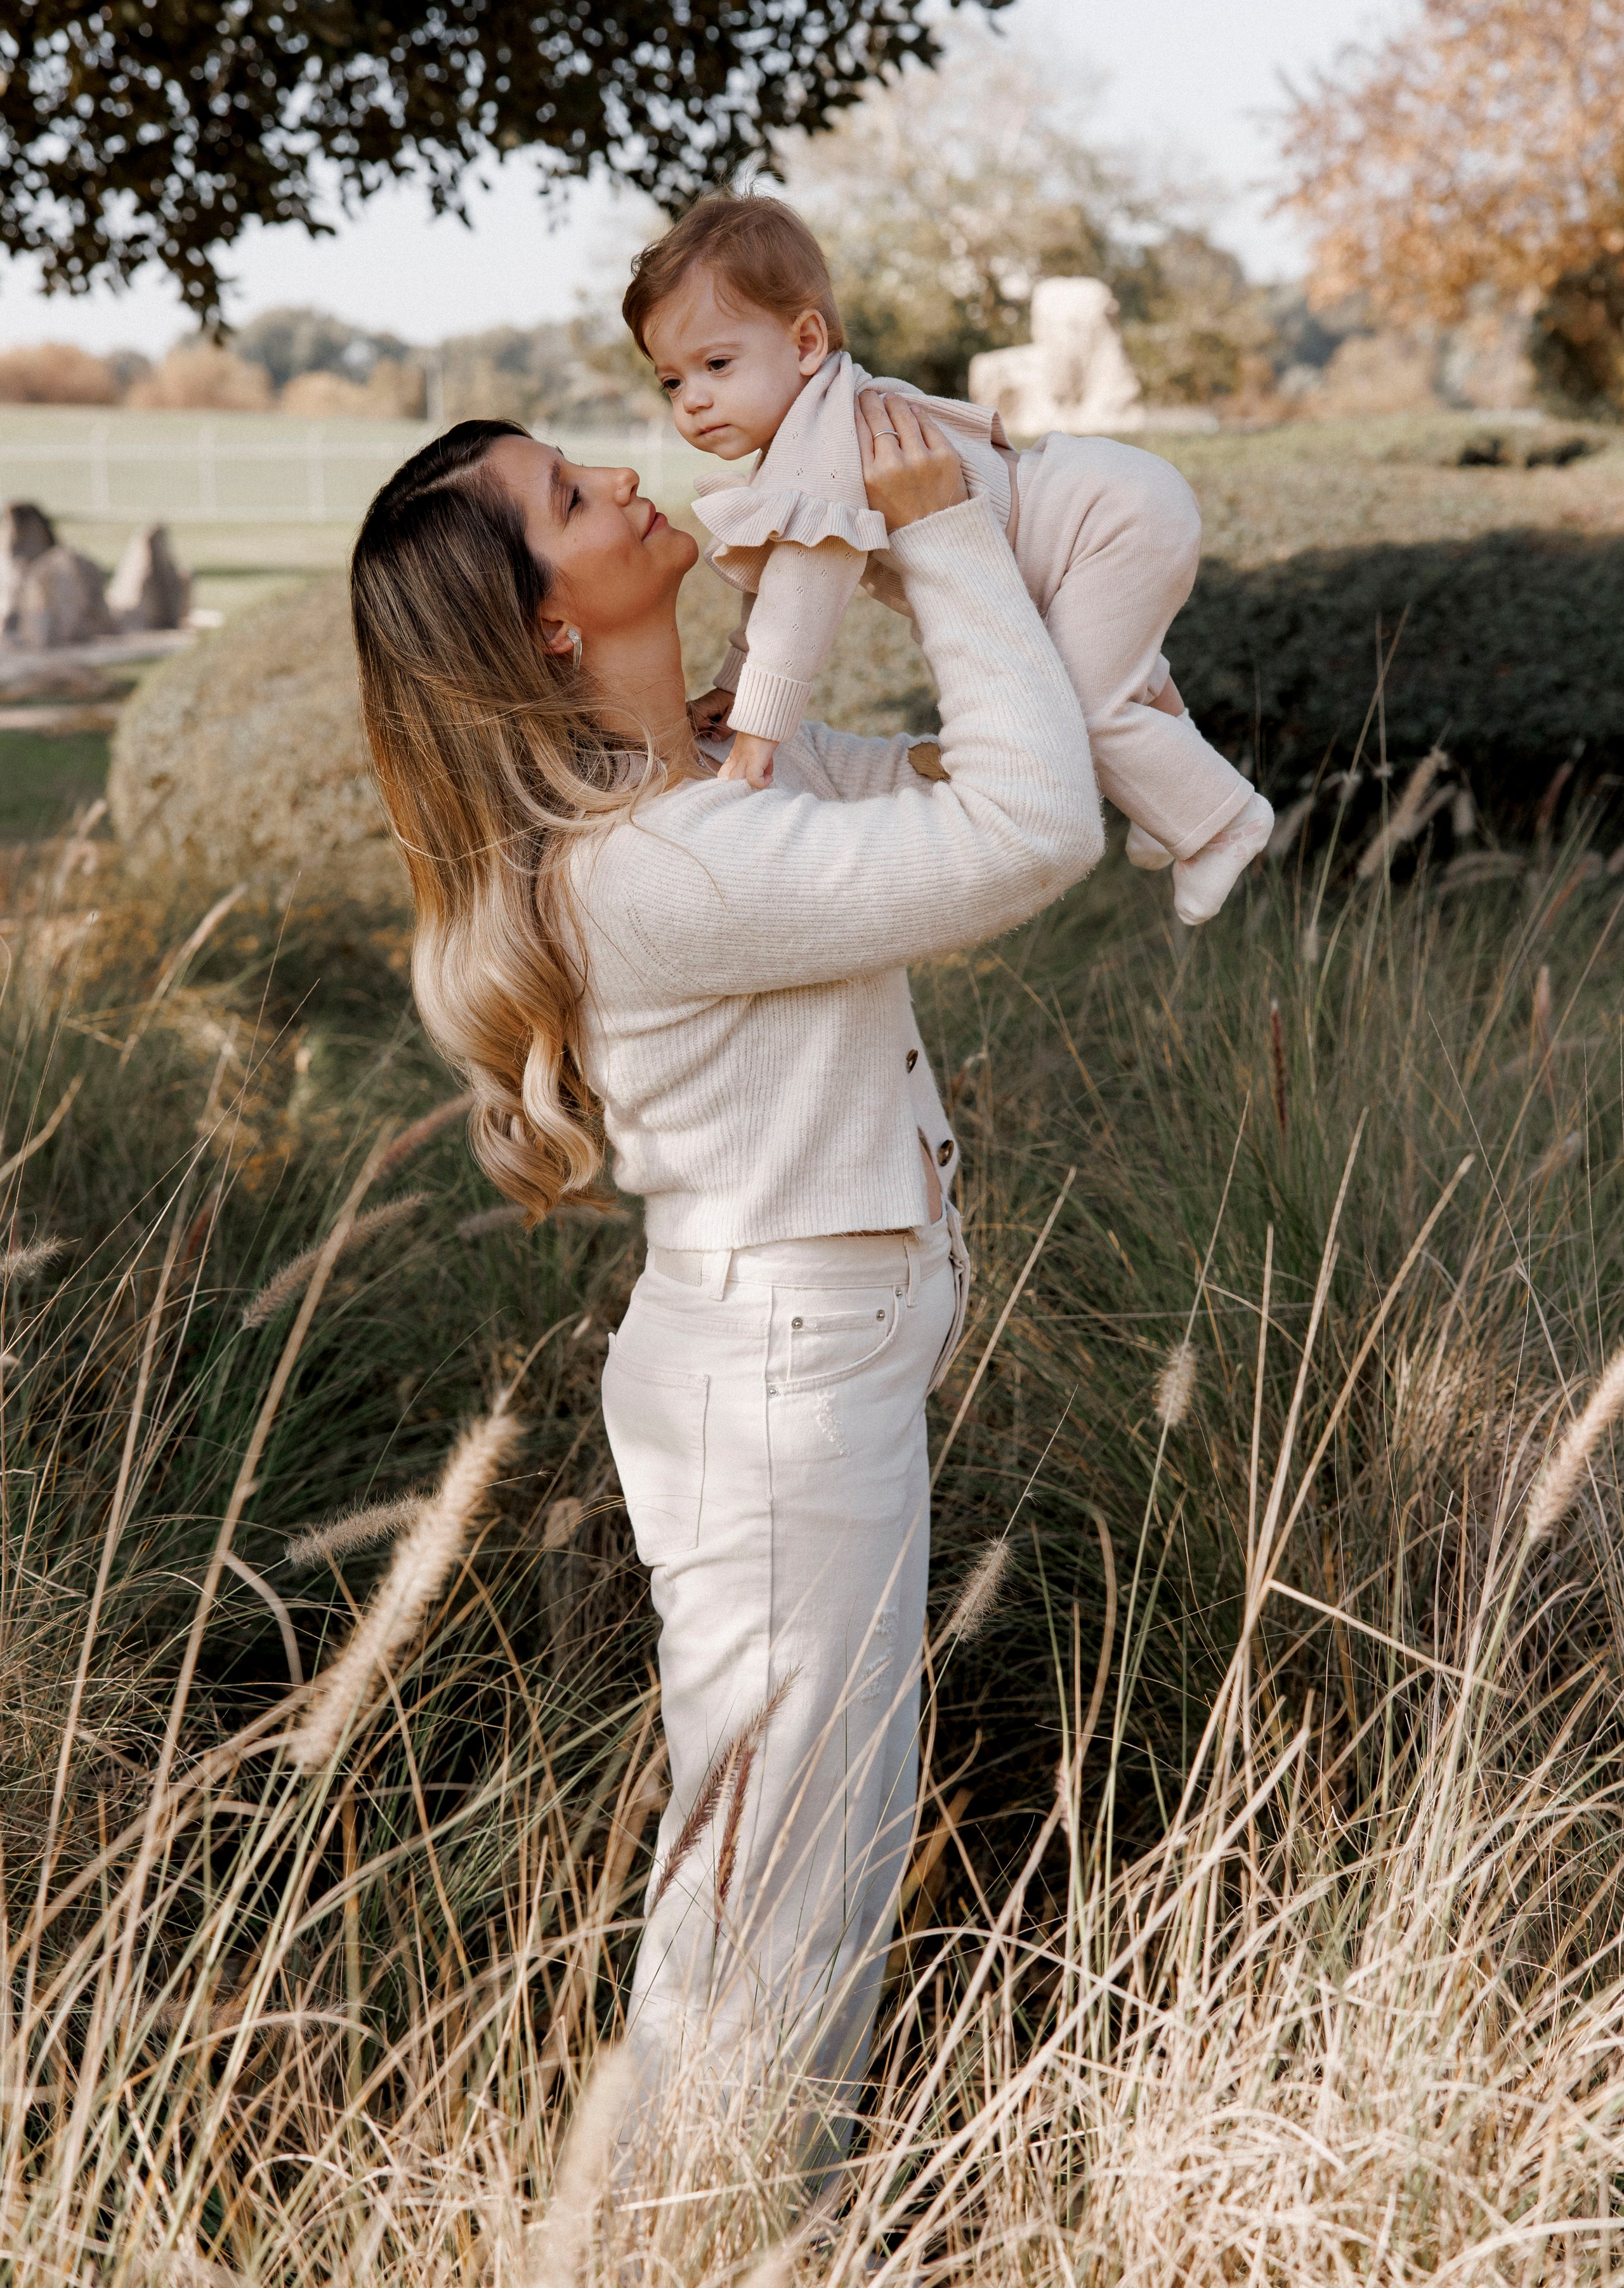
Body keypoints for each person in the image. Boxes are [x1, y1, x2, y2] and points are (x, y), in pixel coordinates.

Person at [347, 390, 1136, 2164]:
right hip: (778, 1391)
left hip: (801, 1362)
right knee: (781, 1900)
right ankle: (699, 2236)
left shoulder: (709, 779)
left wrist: (972, 511)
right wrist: (930, 535)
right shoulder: (664, 862)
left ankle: (709, 2230)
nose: (625, 476)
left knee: (798, 1868)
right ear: (549, 622)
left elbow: (992, 761)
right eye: (570, 495)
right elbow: (1033, 835)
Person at [623, 193, 1274, 927]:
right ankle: (1162, 796)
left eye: (716, 364)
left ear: (806, 342)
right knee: (1104, 672)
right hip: (1091, 514)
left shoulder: (826, 445)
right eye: (673, 381)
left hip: (1102, 519)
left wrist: (757, 740)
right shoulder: (807, 437)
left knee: (1078, 710)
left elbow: (800, 602)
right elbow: (778, 586)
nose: (694, 402)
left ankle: (1222, 824)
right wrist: (738, 686)